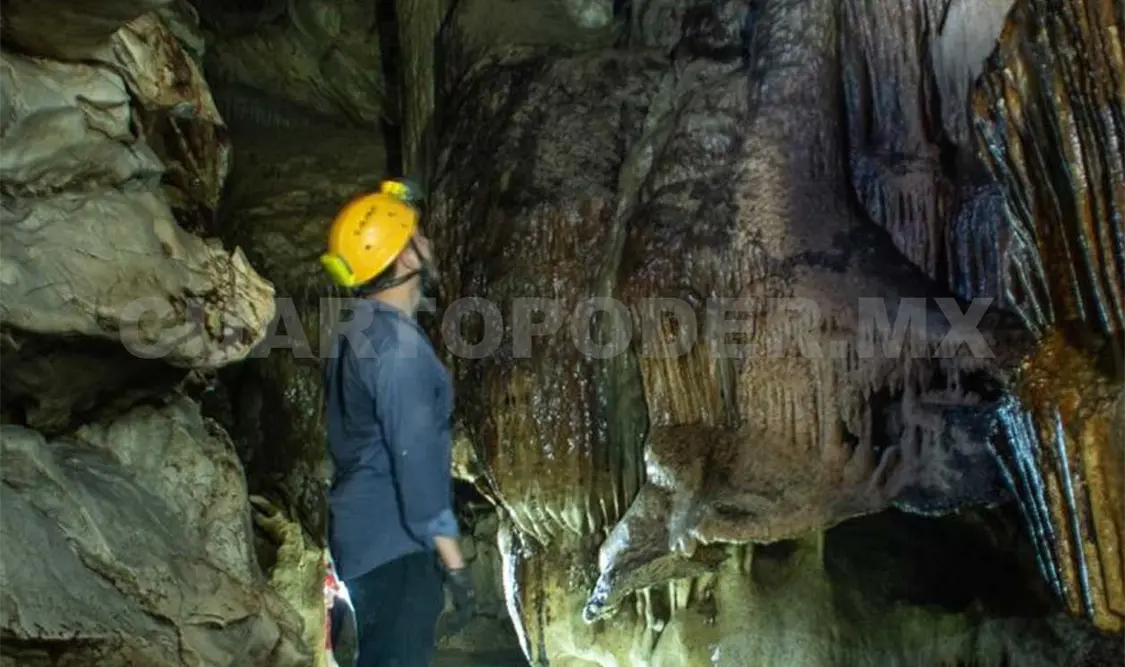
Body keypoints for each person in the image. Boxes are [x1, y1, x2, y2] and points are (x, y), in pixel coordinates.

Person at [319, 179, 476, 667]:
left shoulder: (356, 329)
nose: (428, 243)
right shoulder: (400, 351)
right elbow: (416, 460)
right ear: (406, 258)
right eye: (419, 236)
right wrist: (453, 562)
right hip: (396, 547)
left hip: (361, 538)